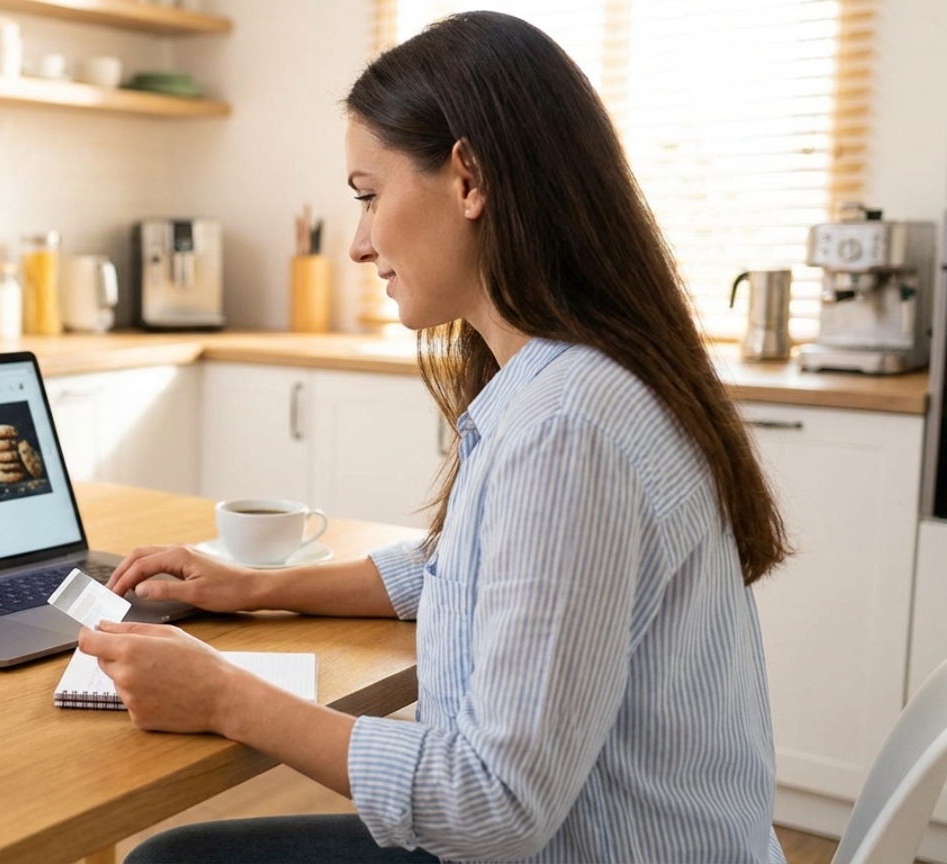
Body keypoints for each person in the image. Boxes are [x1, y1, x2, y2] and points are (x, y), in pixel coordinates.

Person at [82, 10, 792, 864]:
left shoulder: (567, 428)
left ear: (469, 180)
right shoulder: (585, 378)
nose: (358, 242)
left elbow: (491, 805)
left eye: (368, 195)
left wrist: (225, 696)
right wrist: (253, 585)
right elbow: (472, 566)